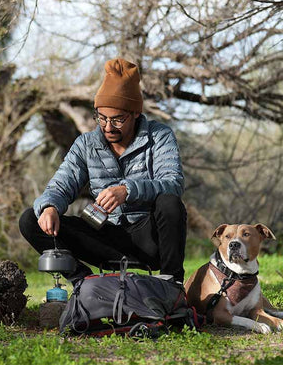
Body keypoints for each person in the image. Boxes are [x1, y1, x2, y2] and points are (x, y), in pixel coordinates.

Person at [19, 58, 187, 284]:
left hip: (149, 239)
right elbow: (60, 186)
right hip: (103, 236)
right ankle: (84, 283)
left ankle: (172, 286)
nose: (108, 127)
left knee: (170, 202)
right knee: (31, 218)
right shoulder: (85, 144)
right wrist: (49, 207)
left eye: (117, 119)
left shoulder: (160, 136)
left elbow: (173, 183)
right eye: (102, 118)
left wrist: (127, 190)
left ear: (135, 112)